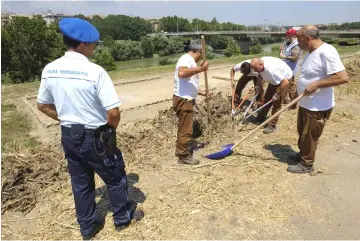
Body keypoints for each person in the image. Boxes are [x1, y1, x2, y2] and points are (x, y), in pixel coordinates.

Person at [36, 18, 144, 240]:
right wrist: (109, 131)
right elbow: (113, 112)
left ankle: (87, 227)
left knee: (81, 182)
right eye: (93, 43)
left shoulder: (50, 69)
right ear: (83, 44)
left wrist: (65, 119)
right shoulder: (95, 71)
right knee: (115, 176)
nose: (95, 47)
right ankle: (122, 218)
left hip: (69, 136)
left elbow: (43, 106)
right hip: (95, 136)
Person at [286, 25, 349, 174]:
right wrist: (296, 95)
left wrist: (317, 84)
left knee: (310, 135)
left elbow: (343, 77)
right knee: (302, 131)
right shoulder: (310, 52)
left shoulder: (327, 52)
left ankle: (307, 164)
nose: (297, 42)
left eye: (299, 39)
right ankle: (303, 154)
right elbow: (306, 75)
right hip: (306, 102)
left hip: (317, 106)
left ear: (307, 39)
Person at [173, 39, 212, 165]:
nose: (201, 57)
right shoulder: (186, 59)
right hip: (184, 100)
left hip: (186, 98)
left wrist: (202, 92)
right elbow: (182, 73)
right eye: (201, 54)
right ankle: (183, 156)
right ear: (199, 51)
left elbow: (189, 82)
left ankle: (181, 150)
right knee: (186, 129)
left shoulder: (189, 61)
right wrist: (201, 69)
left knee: (184, 127)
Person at [250, 56, 292, 134]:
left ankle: (272, 125)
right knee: (267, 99)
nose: (255, 71)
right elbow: (260, 74)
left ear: (261, 64)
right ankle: (260, 118)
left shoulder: (271, 70)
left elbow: (285, 82)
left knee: (277, 103)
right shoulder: (260, 65)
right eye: (254, 69)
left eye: (256, 69)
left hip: (285, 80)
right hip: (274, 80)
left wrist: (277, 94)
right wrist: (258, 85)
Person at [279, 28, 302, 109]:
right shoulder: (290, 43)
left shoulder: (296, 45)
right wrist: (281, 50)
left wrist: (284, 56)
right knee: (289, 85)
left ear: (291, 35)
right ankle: (289, 102)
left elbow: (295, 57)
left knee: (290, 85)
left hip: (291, 69)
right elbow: (282, 55)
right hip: (287, 68)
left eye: (287, 35)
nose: (286, 36)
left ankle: (292, 104)